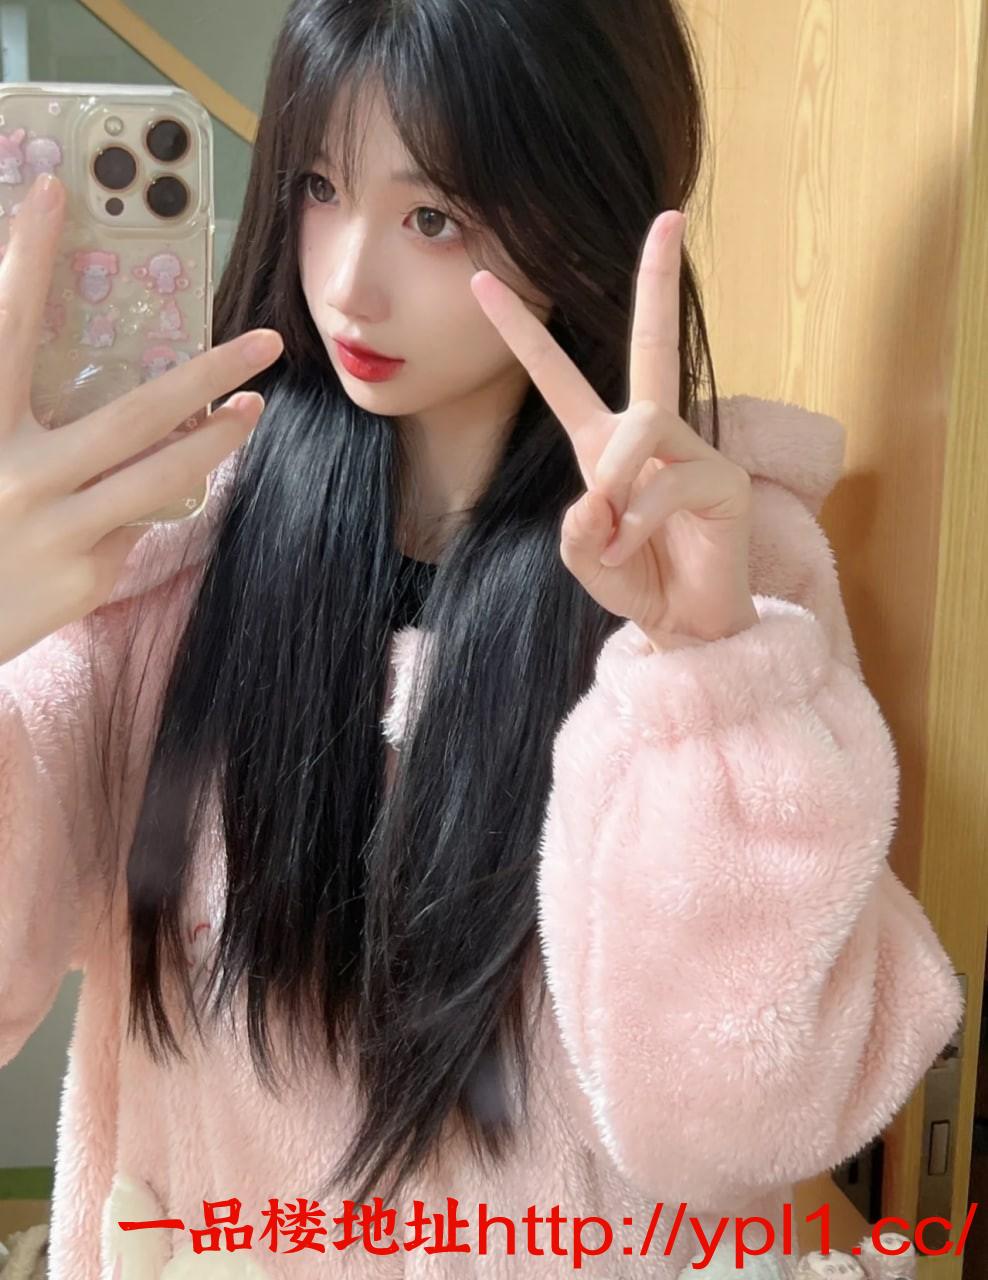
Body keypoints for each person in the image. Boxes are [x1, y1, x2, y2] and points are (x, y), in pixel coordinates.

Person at [0, 0, 963, 1276]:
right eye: (321, 186)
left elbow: (754, 1115)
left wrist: (708, 676)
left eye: (433, 218)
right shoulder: (158, 548)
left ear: (576, 217)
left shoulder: (729, 564)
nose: (346, 282)